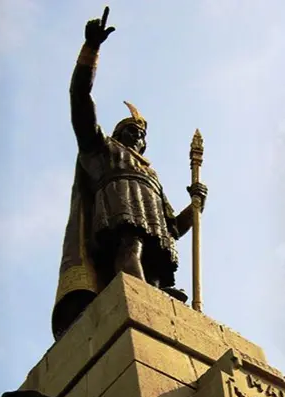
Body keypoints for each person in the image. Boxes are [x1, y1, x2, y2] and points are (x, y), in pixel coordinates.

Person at [52, 7, 207, 341]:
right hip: (117, 220)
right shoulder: (102, 149)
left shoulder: (152, 177)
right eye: (130, 130)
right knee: (129, 249)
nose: (137, 136)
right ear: (117, 133)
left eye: (141, 134)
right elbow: (79, 99)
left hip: (151, 231)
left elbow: (172, 228)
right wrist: (91, 49)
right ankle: (142, 305)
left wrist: (195, 208)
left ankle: (156, 301)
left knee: (151, 267)